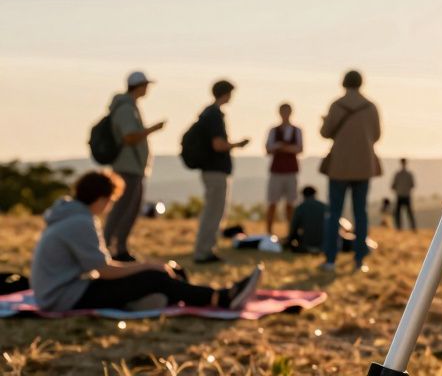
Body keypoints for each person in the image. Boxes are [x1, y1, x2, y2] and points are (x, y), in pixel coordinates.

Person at [31, 170, 261, 312]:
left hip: (63, 291)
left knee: (169, 272)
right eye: (110, 201)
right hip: (63, 298)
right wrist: (146, 266)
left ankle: (164, 297)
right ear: (101, 199)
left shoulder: (72, 216)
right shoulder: (79, 222)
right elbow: (104, 270)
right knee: (153, 275)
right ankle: (220, 298)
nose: (109, 207)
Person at [319, 69, 381, 272]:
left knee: (334, 213)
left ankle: (330, 259)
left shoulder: (337, 105)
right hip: (363, 165)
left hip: (339, 166)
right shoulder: (371, 107)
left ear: (343, 83)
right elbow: (377, 135)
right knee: (360, 213)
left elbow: (326, 132)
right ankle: (359, 260)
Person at [103, 70, 165, 262]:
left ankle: (119, 247)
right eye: (145, 85)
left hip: (133, 167)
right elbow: (129, 137)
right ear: (138, 86)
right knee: (123, 208)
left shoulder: (131, 107)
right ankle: (109, 247)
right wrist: (152, 130)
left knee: (131, 207)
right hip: (127, 167)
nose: (147, 89)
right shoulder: (125, 108)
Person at [193, 80, 250, 264]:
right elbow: (218, 145)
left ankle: (207, 248)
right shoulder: (214, 115)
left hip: (211, 169)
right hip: (215, 170)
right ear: (226, 93)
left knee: (213, 210)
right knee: (214, 212)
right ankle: (204, 252)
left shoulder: (208, 113)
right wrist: (237, 145)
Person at [265, 103, 304, 236]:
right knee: (272, 203)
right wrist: (282, 147)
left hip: (291, 171)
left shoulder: (297, 130)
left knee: (290, 204)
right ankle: (269, 232)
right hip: (276, 171)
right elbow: (268, 149)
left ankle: (291, 233)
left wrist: (282, 148)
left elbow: (299, 148)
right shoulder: (273, 130)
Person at [288, 186, 328, 253]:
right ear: (315, 194)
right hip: (324, 245)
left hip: (305, 245)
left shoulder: (300, 208)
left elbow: (293, 229)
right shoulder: (325, 207)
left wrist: (289, 242)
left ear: (303, 195)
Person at [391, 158, 416, 231]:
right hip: (405, 195)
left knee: (400, 213)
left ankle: (400, 228)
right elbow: (412, 185)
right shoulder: (408, 174)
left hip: (401, 195)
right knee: (408, 214)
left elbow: (393, 186)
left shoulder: (398, 174)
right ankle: (411, 228)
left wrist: (399, 189)